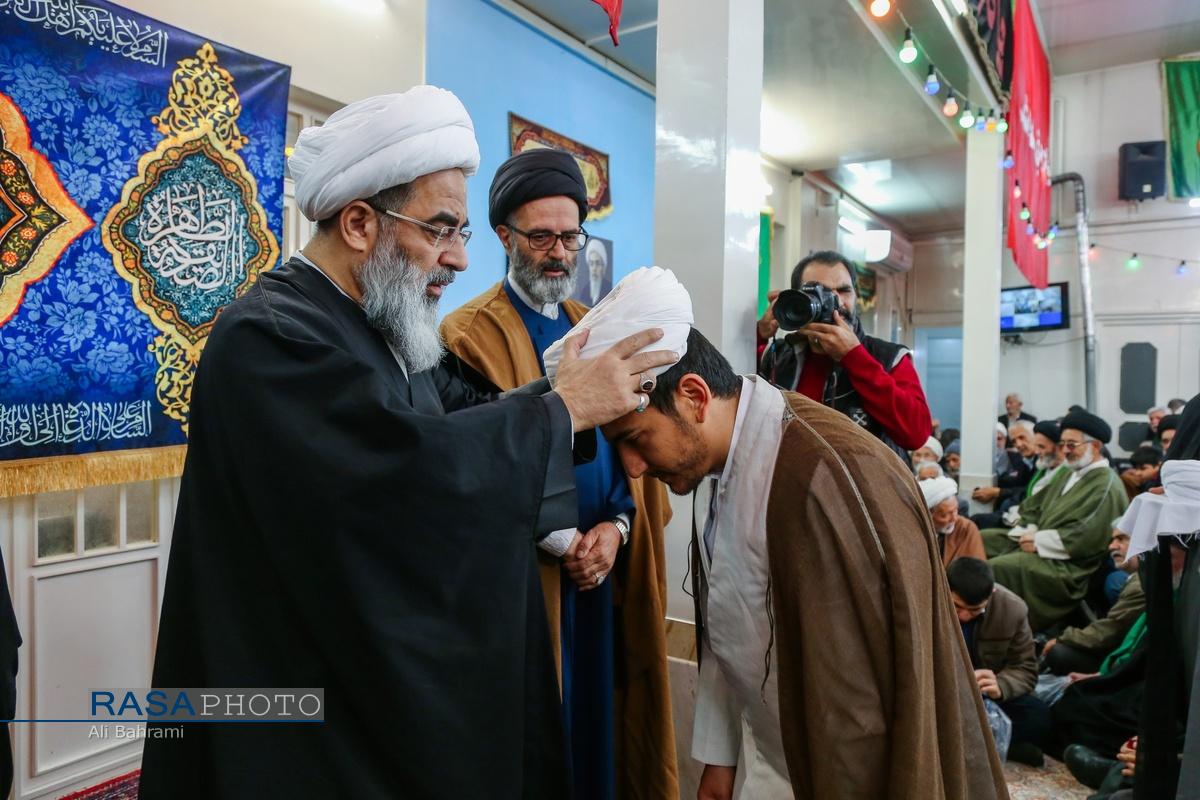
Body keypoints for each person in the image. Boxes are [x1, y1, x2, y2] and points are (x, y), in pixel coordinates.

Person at [138, 87, 678, 799]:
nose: (458, 259)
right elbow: (403, 472)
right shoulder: (270, 337)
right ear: (360, 223)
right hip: (294, 699)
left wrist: (559, 393)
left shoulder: (384, 327)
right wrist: (565, 408)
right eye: (440, 230)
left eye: (462, 232)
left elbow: (468, 419)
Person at [602, 327, 1007, 798]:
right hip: (771, 761)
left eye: (636, 439)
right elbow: (728, 624)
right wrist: (720, 758)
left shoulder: (832, 469)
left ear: (694, 396)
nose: (633, 467)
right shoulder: (709, 460)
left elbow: (870, 691)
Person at [439, 148, 676, 800]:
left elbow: (632, 454)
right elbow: (468, 466)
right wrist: (565, 541)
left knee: (605, 734)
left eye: (570, 237)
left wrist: (618, 530)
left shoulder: (591, 329)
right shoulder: (466, 337)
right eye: (540, 237)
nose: (558, 253)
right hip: (530, 584)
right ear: (503, 236)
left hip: (603, 575)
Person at [756, 251, 932, 461]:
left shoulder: (890, 358)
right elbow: (735, 395)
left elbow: (916, 434)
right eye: (820, 292)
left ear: (856, 296)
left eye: (844, 290)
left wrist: (854, 357)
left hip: (863, 482)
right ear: (798, 299)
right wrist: (759, 334)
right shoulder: (777, 356)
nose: (836, 301)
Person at [981, 409, 1129, 632]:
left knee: (997, 568)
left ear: (1096, 446)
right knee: (981, 539)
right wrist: (1030, 530)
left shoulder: (1106, 484)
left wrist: (1038, 541)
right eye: (1063, 444)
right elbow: (1035, 505)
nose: (1065, 450)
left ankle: (996, 630)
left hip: (1069, 566)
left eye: (1072, 445)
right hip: (1037, 541)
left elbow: (1087, 536)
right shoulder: (1071, 472)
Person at [947, 558, 1050, 766]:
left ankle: (978, 743)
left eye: (975, 610)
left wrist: (1001, 685)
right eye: (957, 607)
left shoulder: (1012, 610)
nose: (964, 616)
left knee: (1038, 717)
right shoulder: (929, 602)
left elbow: (1026, 669)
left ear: (991, 594)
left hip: (982, 696)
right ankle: (992, 744)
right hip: (942, 695)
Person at [1041, 523, 1145, 676]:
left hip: (1125, 664)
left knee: (1058, 652)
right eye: (1113, 540)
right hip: (1123, 656)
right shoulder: (1137, 579)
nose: (1112, 546)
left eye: (1121, 539)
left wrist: (1064, 638)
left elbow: (1110, 631)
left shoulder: (1141, 585)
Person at [920, 476, 986, 566]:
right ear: (927, 516)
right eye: (945, 515)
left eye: (956, 510)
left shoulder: (965, 528)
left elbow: (977, 569)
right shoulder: (916, 533)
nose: (954, 518)